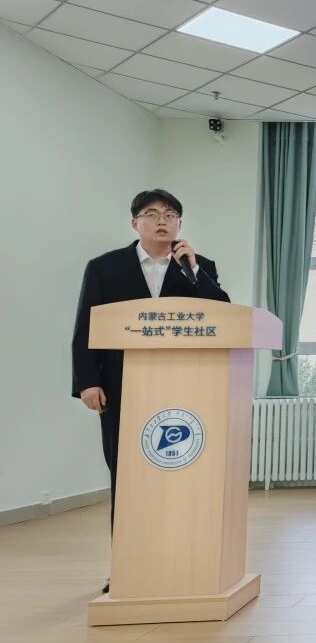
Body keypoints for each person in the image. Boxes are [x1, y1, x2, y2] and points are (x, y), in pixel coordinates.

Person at [71, 190, 230, 593]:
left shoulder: (198, 266)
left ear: (180, 224)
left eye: (171, 214)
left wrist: (196, 271)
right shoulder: (105, 267)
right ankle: (126, 566)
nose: (162, 220)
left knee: (183, 476)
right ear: (135, 223)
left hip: (186, 390)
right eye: (152, 214)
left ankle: (182, 562)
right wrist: (87, 380)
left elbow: (224, 314)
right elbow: (86, 325)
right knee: (126, 476)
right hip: (120, 388)